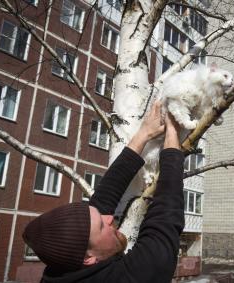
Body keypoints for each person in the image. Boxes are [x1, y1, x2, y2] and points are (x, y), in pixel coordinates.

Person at [23, 101, 185, 283]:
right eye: (101, 225)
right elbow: (165, 221)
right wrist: (172, 131)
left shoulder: (66, 263)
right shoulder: (124, 278)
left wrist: (144, 133)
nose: (109, 218)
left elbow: (105, 196)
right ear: (88, 258)